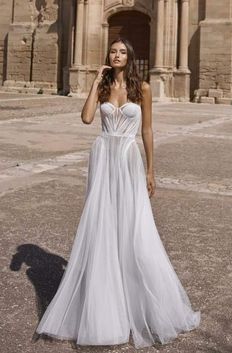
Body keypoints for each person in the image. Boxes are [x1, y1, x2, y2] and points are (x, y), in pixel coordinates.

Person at [35, 37, 200, 349]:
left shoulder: (144, 89)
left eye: (123, 51)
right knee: (102, 227)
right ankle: (105, 308)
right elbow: (86, 118)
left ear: (130, 56)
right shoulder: (103, 86)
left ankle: (144, 302)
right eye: (113, 51)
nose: (117, 55)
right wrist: (96, 81)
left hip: (127, 158)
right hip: (103, 157)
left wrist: (151, 170)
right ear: (108, 56)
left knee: (135, 228)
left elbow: (147, 131)